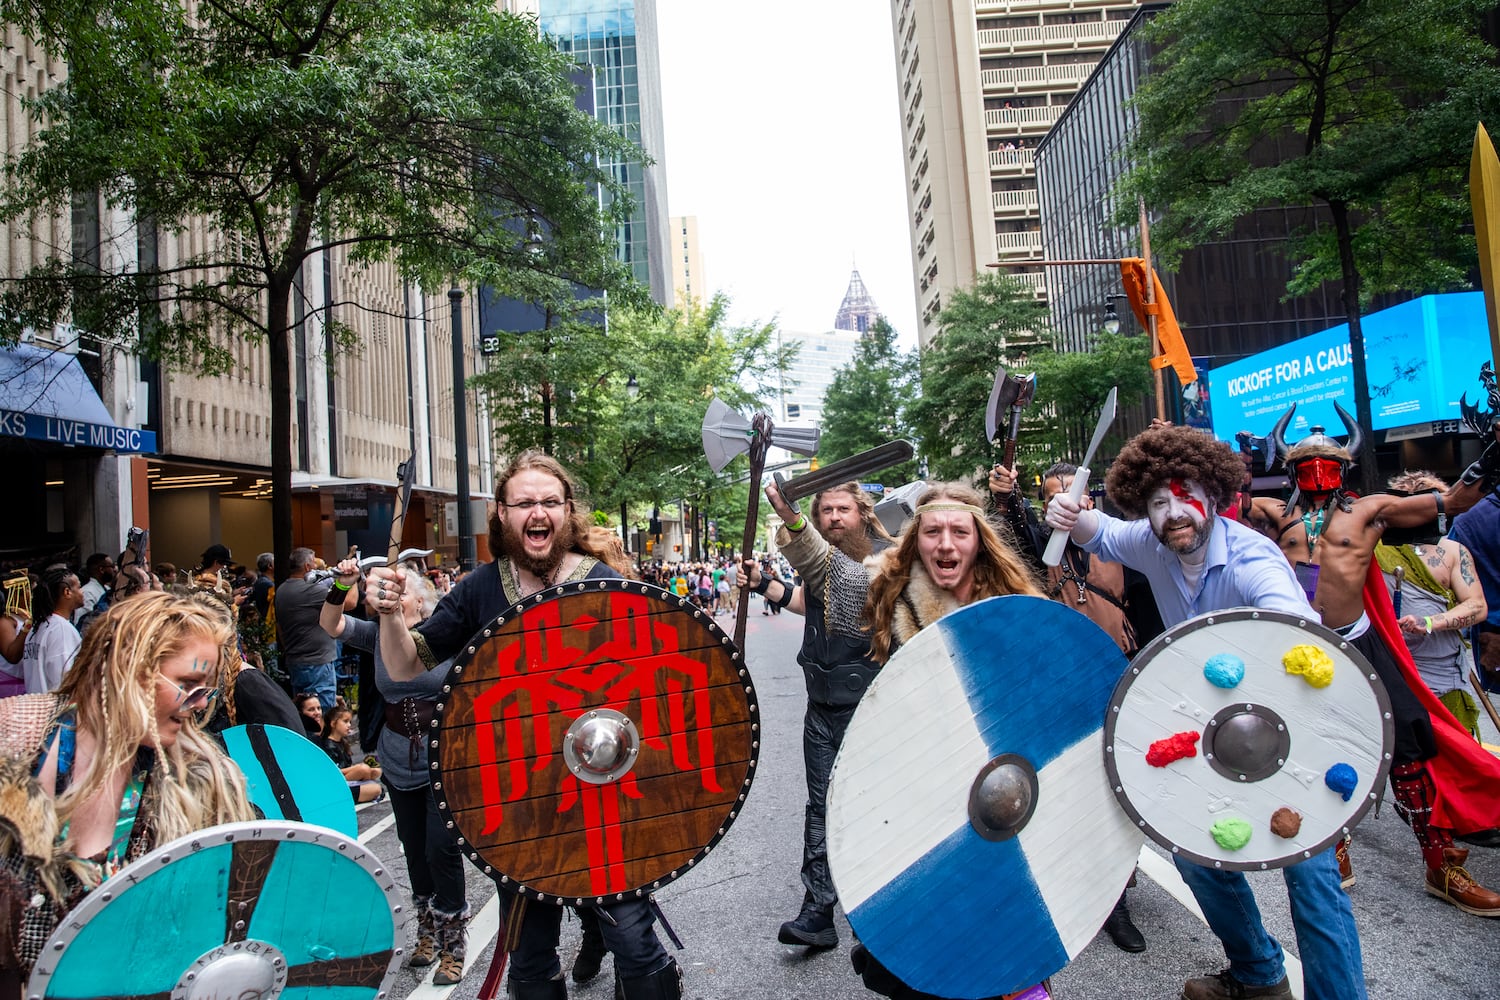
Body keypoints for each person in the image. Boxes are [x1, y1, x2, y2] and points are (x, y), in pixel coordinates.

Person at [1045, 424, 1364, 1000]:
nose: (1174, 513)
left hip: (1291, 730)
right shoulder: (1154, 541)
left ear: (1214, 497)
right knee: (1193, 850)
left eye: (1186, 496)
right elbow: (1105, 535)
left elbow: (1300, 633)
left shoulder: (1252, 561)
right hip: (1213, 727)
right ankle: (1259, 975)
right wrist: (1069, 513)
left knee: (1311, 877)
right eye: (1159, 502)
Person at [368, 451, 681, 999]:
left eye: (550, 502)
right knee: (531, 955)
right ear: (503, 515)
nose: (539, 513)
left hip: (606, 797)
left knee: (634, 940)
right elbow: (402, 664)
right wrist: (391, 615)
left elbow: (656, 696)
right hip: (517, 806)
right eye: (525, 503)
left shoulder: (604, 582)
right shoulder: (479, 590)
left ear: (567, 511)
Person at [749, 479, 1044, 1000]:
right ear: (915, 539)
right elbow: (825, 572)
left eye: (959, 531)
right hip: (913, 783)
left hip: (989, 778)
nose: (946, 544)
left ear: (980, 540)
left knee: (1000, 918)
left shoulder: (1013, 603)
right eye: (933, 531)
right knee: (923, 933)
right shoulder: (885, 587)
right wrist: (795, 523)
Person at [1264, 418, 1500, 915]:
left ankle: (1442, 866)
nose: (1318, 474)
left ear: (1344, 469)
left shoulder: (1370, 510)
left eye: (1328, 465)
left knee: (1409, 744)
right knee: (1308, 747)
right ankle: (1335, 845)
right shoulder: (1270, 515)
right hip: (1296, 650)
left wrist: (1493, 452)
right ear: (1291, 471)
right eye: (1307, 466)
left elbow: (1454, 502)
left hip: (1359, 643)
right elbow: (1199, 509)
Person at [0, 591, 254, 992]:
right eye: (189, 684)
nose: (199, 704)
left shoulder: (200, 777)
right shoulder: (17, 738)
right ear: (128, 667)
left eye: (205, 689)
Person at [988, 460, 1150, 952]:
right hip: (1061, 674)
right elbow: (1016, 532)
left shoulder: (1122, 544)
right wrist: (1008, 496)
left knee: (1120, 782)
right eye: (1055, 494)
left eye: (1076, 493)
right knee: (1073, 779)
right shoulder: (1043, 548)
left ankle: (1116, 883)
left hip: (1118, 669)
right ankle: (1099, 893)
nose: (1067, 501)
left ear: (1092, 501)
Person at [741, 484, 894, 951]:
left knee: (875, 806)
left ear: (862, 513)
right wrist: (766, 586)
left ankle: (884, 903)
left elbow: (837, 581)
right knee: (820, 804)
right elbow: (814, 602)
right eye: (825, 510)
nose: (833, 517)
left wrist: (789, 518)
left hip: (871, 707)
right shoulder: (823, 564)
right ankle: (819, 909)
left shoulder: (884, 560)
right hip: (820, 706)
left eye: (842, 508)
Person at [320, 554, 468, 985]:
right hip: (396, 758)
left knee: (442, 848)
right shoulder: (378, 636)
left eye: (398, 599)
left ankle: (454, 945)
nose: (388, 604)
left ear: (419, 604)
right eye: (384, 598)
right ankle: (427, 933)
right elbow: (329, 624)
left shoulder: (442, 639)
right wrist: (343, 584)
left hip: (443, 757)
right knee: (413, 847)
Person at [1376, 472, 1488, 738]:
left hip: (1443, 671)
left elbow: (1476, 606)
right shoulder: (1373, 549)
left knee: (1456, 752)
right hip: (1391, 669)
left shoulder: (1451, 551)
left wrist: (1428, 623)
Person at [275, 547, 340, 710]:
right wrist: (347, 578)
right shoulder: (312, 590)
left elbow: (279, 626)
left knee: (303, 710)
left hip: (295, 660)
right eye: (314, 564)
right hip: (318, 662)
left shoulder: (282, 590)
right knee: (321, 713)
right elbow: (350, 602)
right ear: (307, 567)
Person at [22, 565, 83, 695]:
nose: (82, 592)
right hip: (55, 711)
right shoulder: (60, 629)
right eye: (79, 587)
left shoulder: (36, 628)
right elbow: (64, 681)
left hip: (38, 709)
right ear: (67, 592)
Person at [318, 705, 383, 803]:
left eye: (350, 722)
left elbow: (348, 765)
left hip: (348, 782)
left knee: (375, 771)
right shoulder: (328, 745)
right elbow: (334, 771)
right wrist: (357, 768)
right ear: (333, 723)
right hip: (336, 784)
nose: (349, 725)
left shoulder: (342, 743)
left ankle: (365, 788)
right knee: (370, 781)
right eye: (345, 721)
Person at [72, 554, 114, 625]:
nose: (115, 569)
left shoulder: (108, 589)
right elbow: (82, 623)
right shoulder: (87, 592)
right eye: (111, 566)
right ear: (101, 569)